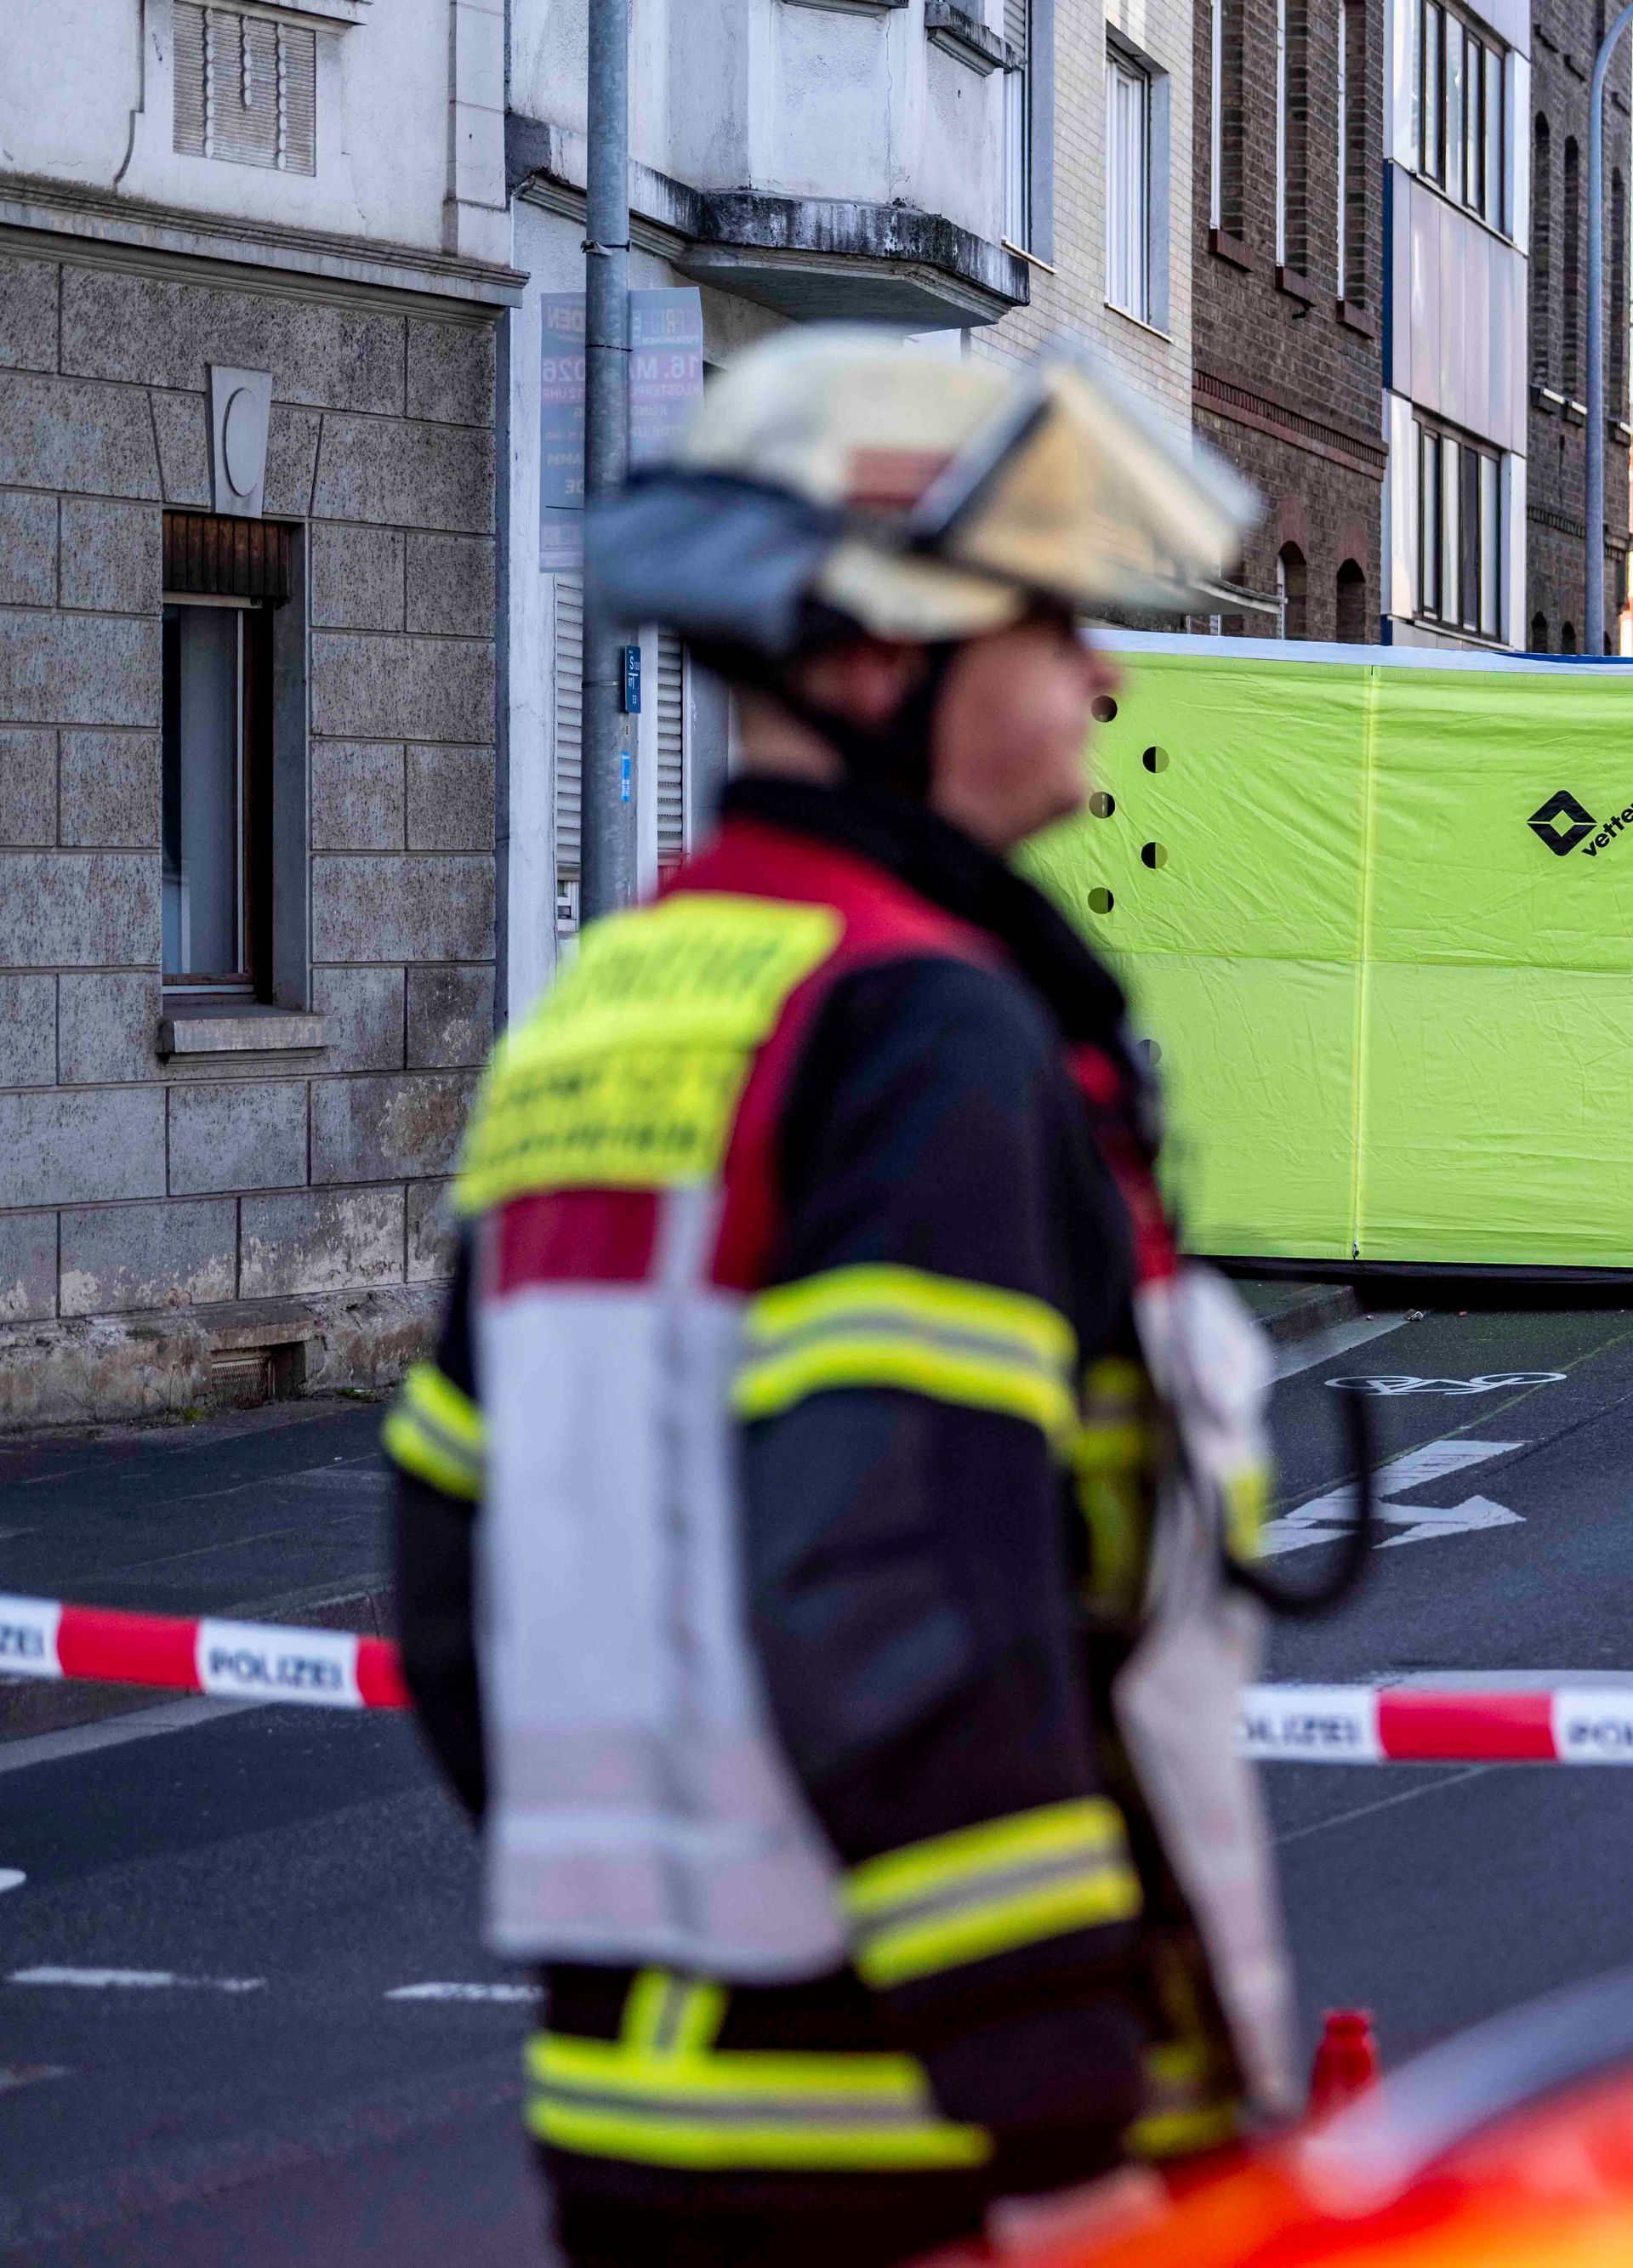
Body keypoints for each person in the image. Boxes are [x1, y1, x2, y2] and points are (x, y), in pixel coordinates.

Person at [384, 333, 1290, 2265]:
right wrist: (1055, 2127)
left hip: (644, 2113)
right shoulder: (918, 1027)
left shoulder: (612, 1014)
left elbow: (467, 1612)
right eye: (1049, 616)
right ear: (878, 659)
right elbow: (912, 1598)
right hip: (926, 2156)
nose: (1102, 671)